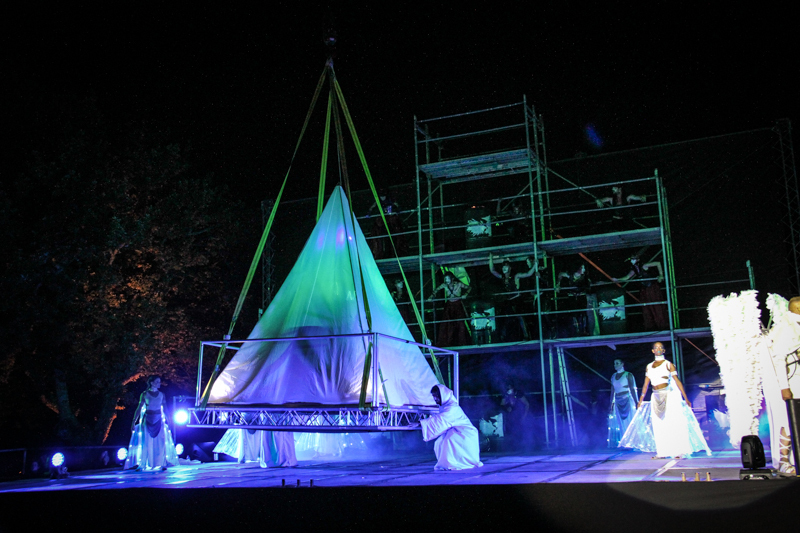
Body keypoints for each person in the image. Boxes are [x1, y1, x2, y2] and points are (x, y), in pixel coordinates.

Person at [620, 343, 710, 458]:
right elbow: (646, 384)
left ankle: (679, 451)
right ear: (652, 351)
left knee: (672, 423)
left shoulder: (668, 364)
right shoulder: (649, 366)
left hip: (668, 395)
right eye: (656, 347)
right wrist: (641, 399)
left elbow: (677, 381)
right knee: (658, 425)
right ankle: (662, 452)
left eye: (660, 347)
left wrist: (685, 397)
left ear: (664, 350)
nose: (658, 349)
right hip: (655, 396)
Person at [764, 294, 800, 475]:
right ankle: (784, 460)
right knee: (790, 420)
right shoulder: (786, 327)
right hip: (795, 380)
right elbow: (779, 359)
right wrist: (784, 387)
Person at [419, 384, 483, 470]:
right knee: (439, 442)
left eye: (436, 396)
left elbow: (441, 420)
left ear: (443, 395)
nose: (435, 399)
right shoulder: (445, 407)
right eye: (433, 396)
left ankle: (454, 463)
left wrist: (421, 423)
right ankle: (447, 463)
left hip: (466, 433)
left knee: (448, 441)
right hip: (457, 431)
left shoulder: (452, 408)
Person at [124, 376, 179, 471]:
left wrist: (169, 420)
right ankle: (143, 464)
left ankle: (161, 463)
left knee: (160, 442)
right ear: (152, 383)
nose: (159, 383)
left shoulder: (162, 394)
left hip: (158, 420)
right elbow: (139, 408)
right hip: (148, 420)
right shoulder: (145, 394)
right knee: (146, 442)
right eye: (157, 382)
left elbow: (165, 408)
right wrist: (134, 421)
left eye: (159, 382)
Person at [613, 255, 668, 330]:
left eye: (633, 259)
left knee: (656, 306)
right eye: (631, 259)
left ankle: (662, 325)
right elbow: (627, 277)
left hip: (652, 288)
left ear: (637, 260)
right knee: (647, 308)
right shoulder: (634, 269)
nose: (632, 261)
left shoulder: (644, 265)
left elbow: (657, 263)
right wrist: (617, 279)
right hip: (645, 290)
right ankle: (651, 327)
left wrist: (661, 275)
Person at [488, 254, 535, 341]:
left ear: (510, 268)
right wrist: (490, 258)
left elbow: (528, 274)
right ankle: (503, 336)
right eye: (503, 266)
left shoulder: (515, 276)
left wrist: (535, 265)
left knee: (520, 317)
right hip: (509, 301)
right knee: (506, 317)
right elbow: (492, 270)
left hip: (516, 300)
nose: (504, 268)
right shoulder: (502, 277)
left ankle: (526, 336)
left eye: (506, 266)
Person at [428, 272, 470, 347]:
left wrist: (465, 294)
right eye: (445, 279)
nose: (446, 280)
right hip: (449, 305)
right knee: (447, 323)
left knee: (460, 323)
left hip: (458, 304)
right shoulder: (444, 285)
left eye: (448, 278)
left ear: (452, 278)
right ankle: (448, 342)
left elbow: (469, 287)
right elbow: (436, 290)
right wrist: (431, 297)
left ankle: (462, 342)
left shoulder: (458, 284)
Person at [557, 263, 599, 336]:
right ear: (578, 268)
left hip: (581, 296)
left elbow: (591, 284)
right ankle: (576, 330)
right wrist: (558, 284)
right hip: (572, 296)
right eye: (582, 268)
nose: (584, 270)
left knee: (583, 313)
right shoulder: (570, 275)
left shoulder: (585, 277)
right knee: (574, 313)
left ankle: (584, 330)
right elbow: (561, 274)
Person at [367, 189, 407, 259]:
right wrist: (369, 213)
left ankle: (395, 252)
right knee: (381, 236)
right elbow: (372, 207)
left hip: (390, 219)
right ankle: (382, 252)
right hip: (382, 221)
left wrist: (398, 211)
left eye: (383, 196)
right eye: (381, 196)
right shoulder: (378, 201)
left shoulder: (390, 200)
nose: (382, 198)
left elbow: (397, 205)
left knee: (393, 235)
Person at [608, 359, 638, 448]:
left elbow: (632, 389)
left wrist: (636, 402)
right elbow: (612, 391)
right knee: (620, 423)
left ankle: (632, 442)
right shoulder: (613, 376)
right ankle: (625, 443)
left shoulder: (628, 375)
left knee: (629, 421)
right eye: (614, 363)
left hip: (627, 399)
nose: (615, 365)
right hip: (617, 401)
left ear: (622, 364)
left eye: (617, 363)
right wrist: (611, 404)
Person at [501, 383, 532, 450]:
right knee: (510, 431)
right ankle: (512, 446)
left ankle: (522, 446)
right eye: (508, 388)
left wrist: (524, 416)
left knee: (519, 430)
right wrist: (506, 407)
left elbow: (527, 404)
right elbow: (502, 404)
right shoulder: (506, 394)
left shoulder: (518, 394)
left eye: (510, 388)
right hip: (510, 417)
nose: (509, 390)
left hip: (519, 415)